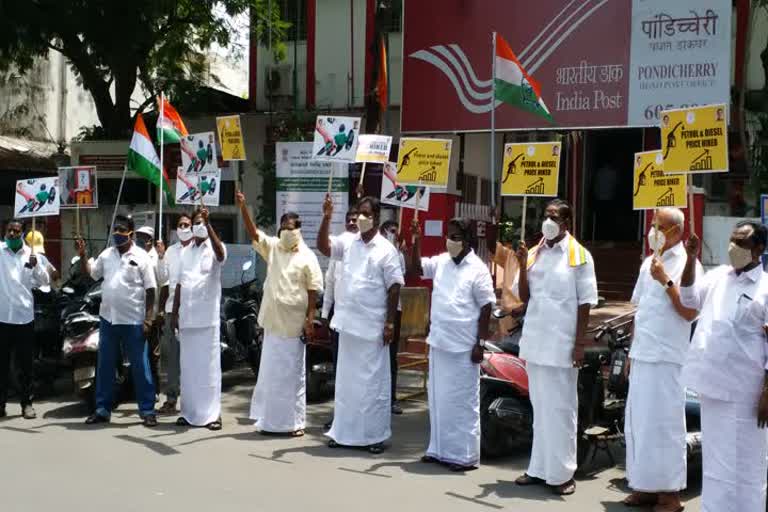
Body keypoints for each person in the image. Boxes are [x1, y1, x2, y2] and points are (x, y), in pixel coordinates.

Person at [680, 222, 768, 512]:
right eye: (731, 240)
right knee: (716, 461)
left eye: (741, 242)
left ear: (759, 249)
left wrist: (767, 392)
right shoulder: (718, 276)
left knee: (746, 460)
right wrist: (691, 259)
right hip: (711, 384)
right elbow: (688, 299)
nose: (733, 248)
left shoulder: (765, 288)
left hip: (747, 390)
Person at [514, 199, 598, 495]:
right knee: (540, 408)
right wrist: (522, 262)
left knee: (561, 410)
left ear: (567, 223)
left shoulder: (579, 256)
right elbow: (524, 296)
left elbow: (586, 302)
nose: (548, 221)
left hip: (562, 345)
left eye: (554, 216)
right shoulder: (534, 252)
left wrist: (579, 344)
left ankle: (563, 474)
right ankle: (538, 468)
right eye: (545, 215)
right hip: (536, 342)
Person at [622, 208, 701, 511]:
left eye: (661, 227)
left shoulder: (687, 263)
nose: (653, 231)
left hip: (668, 358)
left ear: (678, 232)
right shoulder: (647, 263)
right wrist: (631, 351)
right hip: (643, 354)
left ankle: (669, 494)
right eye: (653, 225)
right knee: (639, 423)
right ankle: (644, 486)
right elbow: (638, 312)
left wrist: (666, 280)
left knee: (666, 426)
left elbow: (690, 312)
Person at [317, 195, 404, 454]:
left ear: (375, 218)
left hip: (373, 328)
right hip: (347, 325)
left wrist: (390, 323)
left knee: (372, 386)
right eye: (359, 213)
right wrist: (326, 217)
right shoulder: (348, 242)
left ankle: (374, 436)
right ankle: (343, 432)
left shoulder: (386, 249)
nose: (361, 218)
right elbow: (323, 247)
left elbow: (395, 287)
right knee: (346, 384)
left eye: (366, 214)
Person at [410, 217, 495, 471]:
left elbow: (487, 307)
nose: (450, 240)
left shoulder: (477, 269)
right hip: (439, 342)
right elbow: (415, 268)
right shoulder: (441, 263)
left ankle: (464, 456)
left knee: (462, 403)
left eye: (456, 237)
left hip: (464, 347)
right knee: (438, 400)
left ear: (468, 241)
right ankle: (438, 450)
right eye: (448, 235)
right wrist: (416, 241)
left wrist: (480, 343)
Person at [238, 192, 322, 436]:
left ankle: (295, 423)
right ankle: (269, 422)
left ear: (298, 231)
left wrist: (309, 321)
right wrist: (243, 207)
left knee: (293, 377)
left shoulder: (307, 256)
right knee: (271, 375)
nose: (286, 232)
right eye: (283, 228)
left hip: (295, 327)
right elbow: (254, 234)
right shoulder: (274, 248)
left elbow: (313, 290)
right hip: (273, 325)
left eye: (290, 228)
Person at [77, 215, 158, 426]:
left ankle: (147, 410)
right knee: (105, 366)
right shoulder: (106, 254)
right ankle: (103, 408)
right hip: (108, 319)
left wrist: (148, 320)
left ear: (130, 232)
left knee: (140, 366)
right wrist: (83, 254)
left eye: (121, 230)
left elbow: (151, 290)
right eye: (115, 229)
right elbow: (91, 275)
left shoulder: (141, 256)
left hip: (133, 320)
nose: (117, 233)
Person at [170, 208, 226, 430]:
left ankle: (213, 415)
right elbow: (180, 285)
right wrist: (174, 314)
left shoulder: (214, 248)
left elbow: (221, 256)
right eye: (196, 223)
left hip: (207, 321)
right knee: (189, 370)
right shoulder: (185, 253)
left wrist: (209, 225)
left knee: (209, 370)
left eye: (202, 222)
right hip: (187, 319)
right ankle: (189, 412)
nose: (198, 225)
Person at [0, 220, 49, 419]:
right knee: (1, 365)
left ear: (22, 234)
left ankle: (27, 404)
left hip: (23, 318)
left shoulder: (32, 254)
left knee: (25, 365)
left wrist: (37, 267)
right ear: (5, 232)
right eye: (9, 230)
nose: (12, 233)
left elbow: (45, 281)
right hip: (2, 318)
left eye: (16, 231)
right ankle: (1, 404)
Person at [321, 207, 359, 429]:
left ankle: (356, 416)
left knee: (357, 370)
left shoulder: (371, 249)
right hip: (339, 316)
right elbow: (330, 284)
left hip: (361, 318)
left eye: (356, 219)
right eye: (350, 220)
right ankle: (340, 415)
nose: (353, 223)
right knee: (340, 368)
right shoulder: (339, 250)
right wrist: (325, 314)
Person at [155, 214, 194, 415]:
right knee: (172, 357)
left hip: (194, 311)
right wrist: (161, 257)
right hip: (172, 311)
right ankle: (171, 398)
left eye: (187, 224)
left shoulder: (198, 249)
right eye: (180, 224)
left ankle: (192, 399)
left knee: (192, 357)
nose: (183, 227)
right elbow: (163, 280)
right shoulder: (171, 251)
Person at [380, 220, 405, 415]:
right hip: (375, 310)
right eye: (390, 231)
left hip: (394, 311)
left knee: (391, 356)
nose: (393, 234)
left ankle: (391, 398)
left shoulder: (398, 255)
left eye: (395, 232)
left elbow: (399, 281)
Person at [135, 225, 162, 390]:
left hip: (151, 310)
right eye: (137, 236)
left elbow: (161, 284)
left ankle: (155, 388)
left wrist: (157, 312)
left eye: (142, 237)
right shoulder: (136, 255)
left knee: (153, 352)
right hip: (136, 309)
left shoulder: (155, 258)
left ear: (150, 240)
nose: (138, 240)